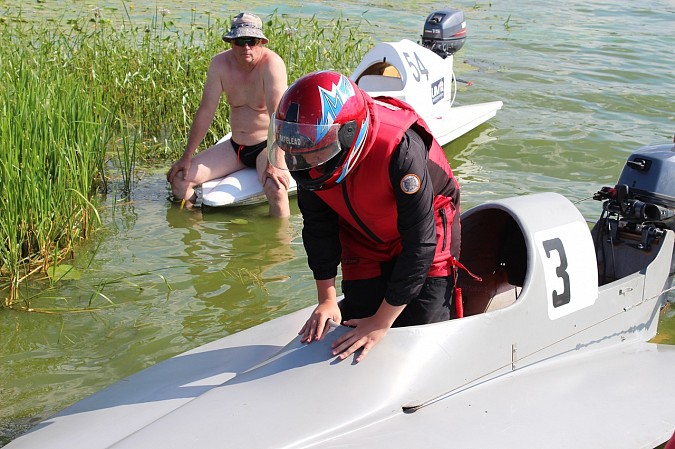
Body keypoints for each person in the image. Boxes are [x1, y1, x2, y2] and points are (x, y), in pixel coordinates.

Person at [268, 70, 462, 362]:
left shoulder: (399, 147)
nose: (305, 162)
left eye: (315, 153)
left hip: (428, 225)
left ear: (348, 135)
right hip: (361, 231)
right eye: (299, 152)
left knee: (423, 332)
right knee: (353, 325)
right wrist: (327, 299)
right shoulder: (309, 162)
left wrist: (381, 323)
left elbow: (420, 244)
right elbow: (319, 227)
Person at [166, 12, 291, 217]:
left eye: (251, 41)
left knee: (276, 190)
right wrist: (186, 157)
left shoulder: (272, 64)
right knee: (180, 180)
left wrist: (273, 163)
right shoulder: (219, 64)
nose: (246, 47)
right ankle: (196, 226)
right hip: (236, 146)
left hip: (265, 146)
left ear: (261, 41)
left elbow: (279, 117)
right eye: (240, 41)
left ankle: (277, 246)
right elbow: (206, 110)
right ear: (231, 42)